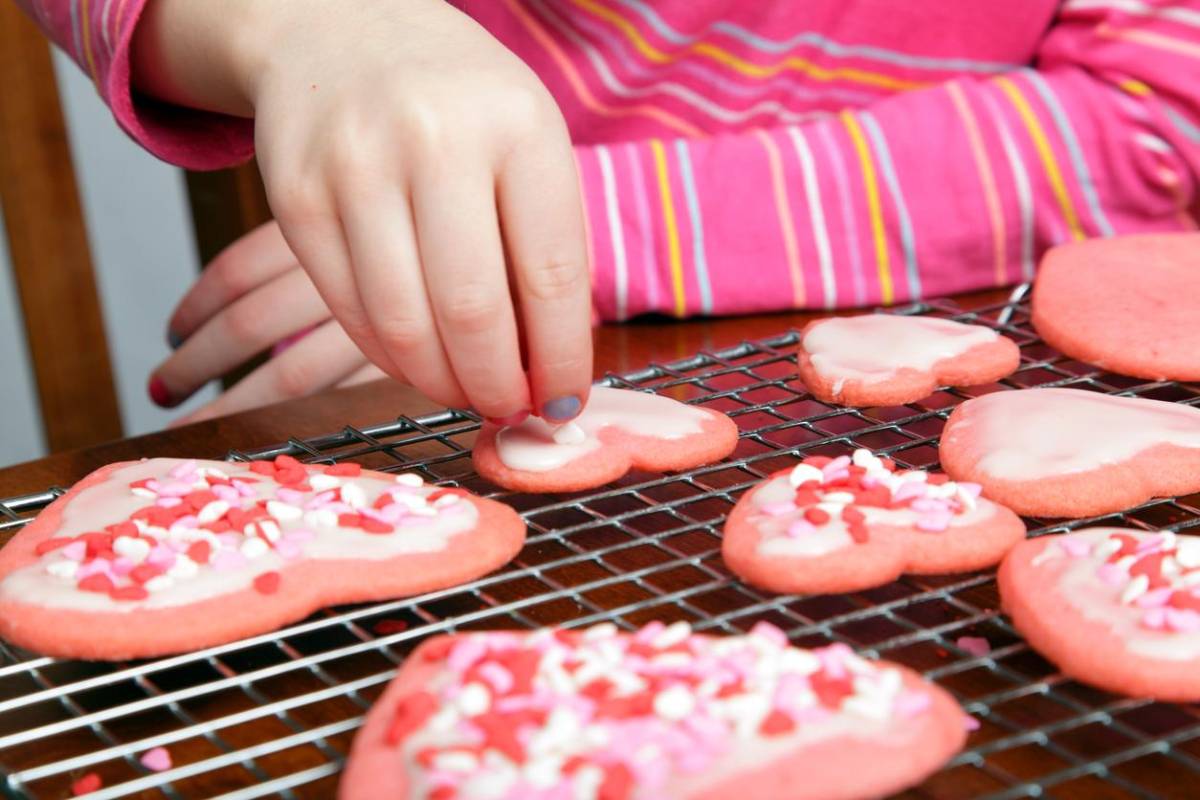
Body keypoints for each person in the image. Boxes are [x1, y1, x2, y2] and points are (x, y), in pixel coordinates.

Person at [14, 0, 1200, 426]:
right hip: (409, 382)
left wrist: (603, 222)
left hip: (1006, 392)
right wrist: (303, 26)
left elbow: (1160, 117)